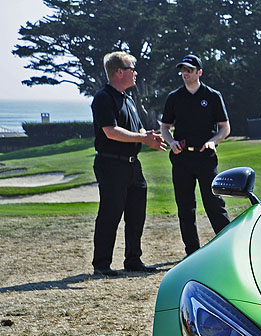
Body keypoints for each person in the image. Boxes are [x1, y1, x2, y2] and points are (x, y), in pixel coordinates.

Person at [90, 51, 167, 276]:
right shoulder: (103, 97)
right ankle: (102, 264)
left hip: (133, 165)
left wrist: (148, 136)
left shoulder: (128, 98)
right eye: (132, 68)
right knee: (110, 213)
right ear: (119, 72)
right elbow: (111, 132)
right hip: (111, 164)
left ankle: (133, 260)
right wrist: (142, 138)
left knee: (136, 214)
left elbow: (138, 128)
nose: (135, 73)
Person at [159, 54, 231, 256]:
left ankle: (226, 248)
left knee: (214, 204)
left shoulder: (212, 96)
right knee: (185, 208)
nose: (185, 74)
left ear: (199, 72)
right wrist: (171, 142)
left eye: (189, 70)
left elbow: (225, 128)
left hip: (205, 158)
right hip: (181, 159)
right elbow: (165, 127)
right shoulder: (174, 97)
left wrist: (213, 141)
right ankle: (192, 252)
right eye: (183, 70)